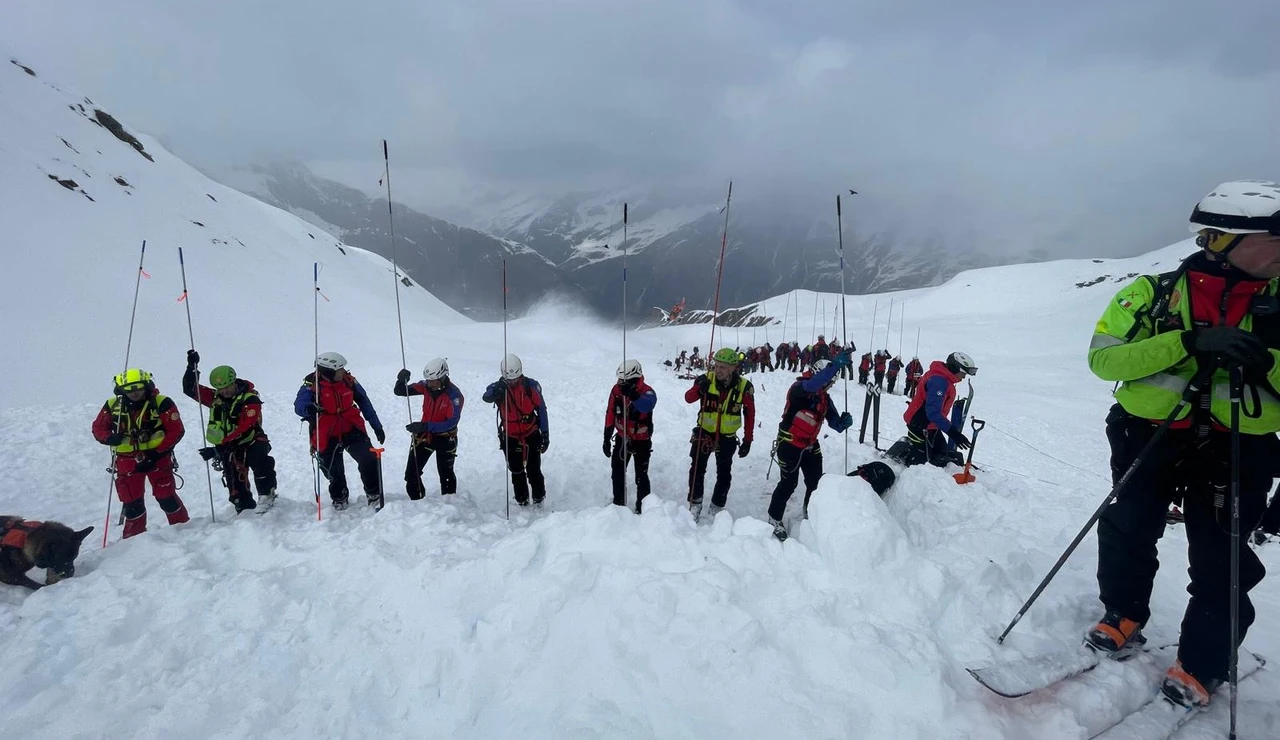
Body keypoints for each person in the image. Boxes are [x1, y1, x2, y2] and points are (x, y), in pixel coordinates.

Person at [1084, 180, 1280, 709]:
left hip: (1238, 447)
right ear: (1225, 240)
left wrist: (1269, 359)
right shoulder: (1149, 293)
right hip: (1147, 434)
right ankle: (1122, 613)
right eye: (1277, 238)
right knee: (1129, 526)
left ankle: (1203, 663)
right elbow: (1105, 360)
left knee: (1222, 558)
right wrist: (1187, 343)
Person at [766, 354, 855, 541]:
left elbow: (834, 424)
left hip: (810, 445)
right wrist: (835, 365)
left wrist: (843, 423)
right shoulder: (800, 388)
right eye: (829, 381)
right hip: (789, 443)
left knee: (815, 482)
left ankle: (810, 512)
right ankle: (774, 518)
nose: (829, 386)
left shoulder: (824, 398)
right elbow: (812, 385)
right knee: (789, 483)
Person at [91, 369, 189, 538]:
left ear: (147, 386)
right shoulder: (113, 405)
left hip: (158, 457)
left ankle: (185, 531)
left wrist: (156, 453)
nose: (134, 393)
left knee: (166, 497)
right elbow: (98, 428)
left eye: (138, 388)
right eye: (129, 389)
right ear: (121, 390)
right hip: (127, 460)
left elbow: (176, 430)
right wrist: (110, 438)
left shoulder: (162, 402)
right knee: (132, 502)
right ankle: (133, 539)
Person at [183, 351, 277, 513]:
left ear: (234, 382)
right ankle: (244, 507)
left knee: (260, 462)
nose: (224, 391)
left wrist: (217, 449)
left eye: (227, 386)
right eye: (220, 388)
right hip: (228, 447)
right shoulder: (215, 398)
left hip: (251, 440)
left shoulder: (250, 399)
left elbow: (245, 428)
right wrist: (192, 367)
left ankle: (267, 495)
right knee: (235, 485)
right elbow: (190, 389)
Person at [294, 352, 386, 510]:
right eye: (339, 369)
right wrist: (308, 408)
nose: (343, 372)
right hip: (326, 432)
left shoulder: (348, 381)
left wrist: (377, 426)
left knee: (368, 458)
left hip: (351, 427)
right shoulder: (311, 384)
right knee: (333, 470)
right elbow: (299, 405)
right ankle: (339, 497)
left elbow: (364, 401)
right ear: (328, 372)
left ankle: (374, 493)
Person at [685, 347, 756, 522]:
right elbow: (688, 398)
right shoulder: (705, 379)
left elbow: (750, 414)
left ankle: (717, 505)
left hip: (727, 437)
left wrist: (748, 439)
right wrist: (699, 389)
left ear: (733, 368)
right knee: (697, 469)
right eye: (716, 366)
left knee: (724, 472)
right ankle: (695, 502)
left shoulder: (744, 387)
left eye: (723, 367)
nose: (718, 370)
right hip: (704, 433)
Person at [483, 354, 549, 507]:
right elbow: (486, 397)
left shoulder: (530, 386)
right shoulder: (498, 387)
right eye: (509, 379)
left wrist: (545, 434)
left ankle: (539, 498)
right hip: (510, 435)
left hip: (531, 432)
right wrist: (497, 391)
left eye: (515, 378)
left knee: (534, 469)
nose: (512, 382)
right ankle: (522, 500)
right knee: (516, 470)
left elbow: (542, 410)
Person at [396, 358, 464, 499]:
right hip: (425, 436)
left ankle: (449, 504)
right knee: (411, 473)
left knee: (446, 473)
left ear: (443, 377)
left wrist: (425, 426)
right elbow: (401, 391)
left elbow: (451, 422)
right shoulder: (425, 386)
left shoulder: (455, 396)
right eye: (428, 380)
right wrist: (401, 379)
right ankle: (417, 501)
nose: (430, 384)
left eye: (433, 381)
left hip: (445, 438)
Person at [897, 352, 975, 467]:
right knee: (923, 464)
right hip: (920, 424)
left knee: (942, 454)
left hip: (931, 425)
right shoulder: (939, 382)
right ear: (954, 368)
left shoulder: (943, 378)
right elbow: (932, 412)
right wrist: (953, 432)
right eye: (963, 373)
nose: (963, 377)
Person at [604, 359, 658, 512]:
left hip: (642, 441)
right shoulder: (616, 391)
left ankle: (643, 508)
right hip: (622, 439)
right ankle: (618, 504)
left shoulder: (647, 392)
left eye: (622, 380)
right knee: (617, 472)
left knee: (641, 476)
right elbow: (610, 412)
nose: (619, 382)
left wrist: (634, 396)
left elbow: (647, 405)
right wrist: (606, 437)